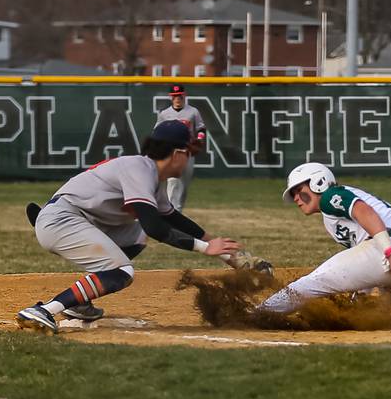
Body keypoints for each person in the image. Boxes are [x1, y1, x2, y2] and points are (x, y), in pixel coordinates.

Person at [16, 120, 241, 334]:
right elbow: (156, 228)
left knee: (138, 235)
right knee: (122, 272)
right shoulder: (140, 169)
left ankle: (79, 302)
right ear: (177, 153)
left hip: (73, 218)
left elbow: (171, 217)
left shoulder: (150, 174)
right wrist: (204, 248)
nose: (190, 159)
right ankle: (44, 310)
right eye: (189, 153)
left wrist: (220, 248)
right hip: (63, 220)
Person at [256, 162, 391, 324]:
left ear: (318, 182)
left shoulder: (330, 196)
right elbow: (361, 260)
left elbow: (364, 212)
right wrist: (360, 295)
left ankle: (258, 314)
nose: (296, 198)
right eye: (293, 195)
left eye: (299, 190)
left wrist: (389, 251)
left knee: (313, 282)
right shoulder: (330, 214)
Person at [155, 84, 205, 212]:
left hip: (187, 151)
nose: (177, 99)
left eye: (179, 96)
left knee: (184, 185)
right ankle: (172, 213)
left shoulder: (193, 111)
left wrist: (199, 139)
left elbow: (201, 128)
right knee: (173, 182)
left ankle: (178, 211)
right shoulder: (165, 114)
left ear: (184, 95)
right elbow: (157, 131)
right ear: (170, 98)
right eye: (174, 96)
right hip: (173, 152)